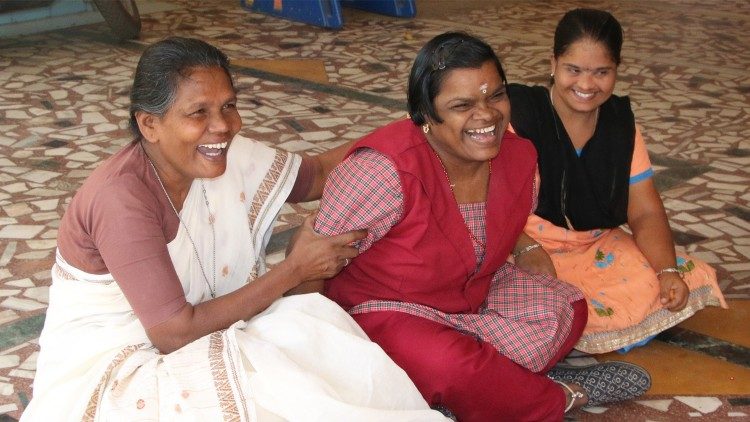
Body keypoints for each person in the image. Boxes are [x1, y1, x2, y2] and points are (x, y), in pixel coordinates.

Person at [21, 37, 449, 421]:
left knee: (314, 333)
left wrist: (421, 128)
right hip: (121, 369)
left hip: (206, 328)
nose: (223, 125)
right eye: (198, 113)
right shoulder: (121, 199)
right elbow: (173, 333)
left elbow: (316, 174)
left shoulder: (223, 153)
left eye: (228, 105)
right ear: (149, 124)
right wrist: (295, 270)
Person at [307, 32, 651, 421]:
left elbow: (496, 230)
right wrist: (313, 347)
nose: (487, 115)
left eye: (496, 95)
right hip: (384, 309)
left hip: (470, 294)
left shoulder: (518, 157)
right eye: (462, 105)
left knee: (566, 306)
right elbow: (311, 261)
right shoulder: (381, 170)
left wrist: (524, 249)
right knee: (451, 364)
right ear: (425, 114)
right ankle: (556, 396)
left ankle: (473, 390)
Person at [507, 8, 727, 354]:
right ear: (553, 64)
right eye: (573, 70)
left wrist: (666, 269)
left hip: (593, 244)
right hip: (521, 241)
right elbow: (482, 201)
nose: (585, 84)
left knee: (682, 275)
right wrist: (527, 248)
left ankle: (575, 331)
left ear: (616, 71)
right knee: (511, 287)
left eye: (601, 72)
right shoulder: (518, 115)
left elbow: (645, 212)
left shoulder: (620, 127)